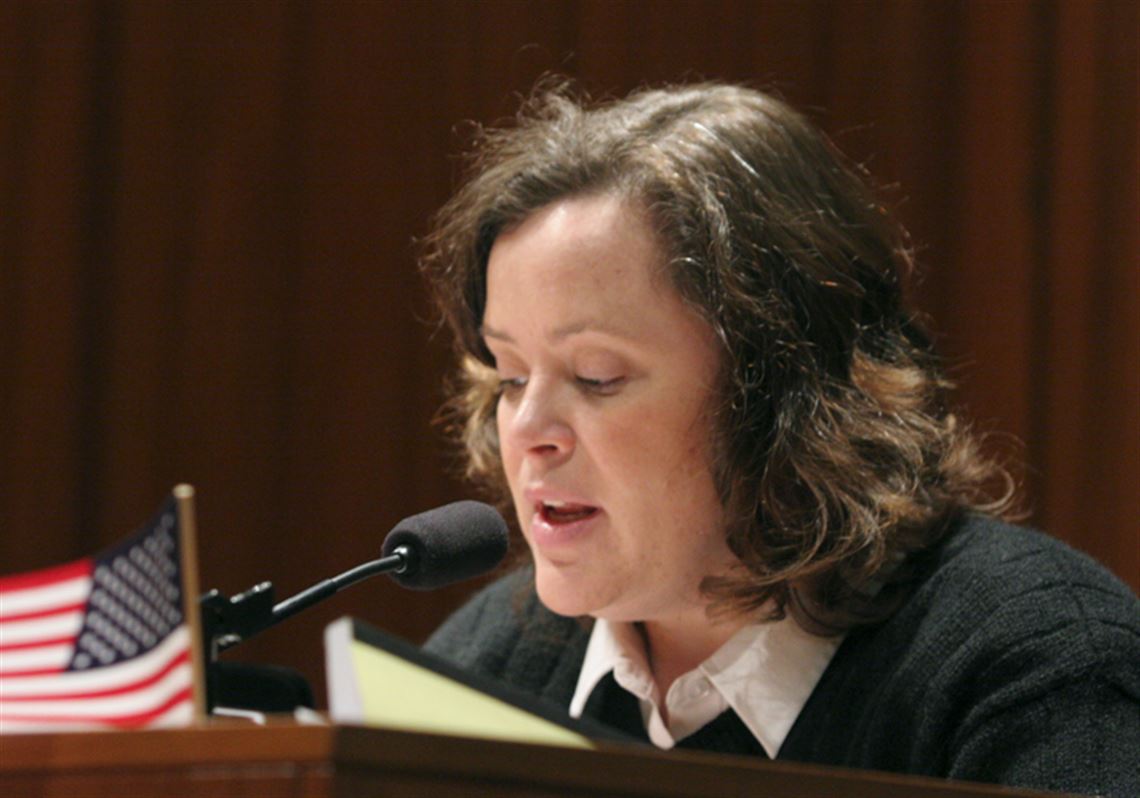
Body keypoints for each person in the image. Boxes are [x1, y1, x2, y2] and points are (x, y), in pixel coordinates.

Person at [416, 82, 1140, 796]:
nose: (527, 430)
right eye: (511, 376)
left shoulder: (1036, 670)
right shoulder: (484, 669)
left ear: (779, 392)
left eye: (596, 376)